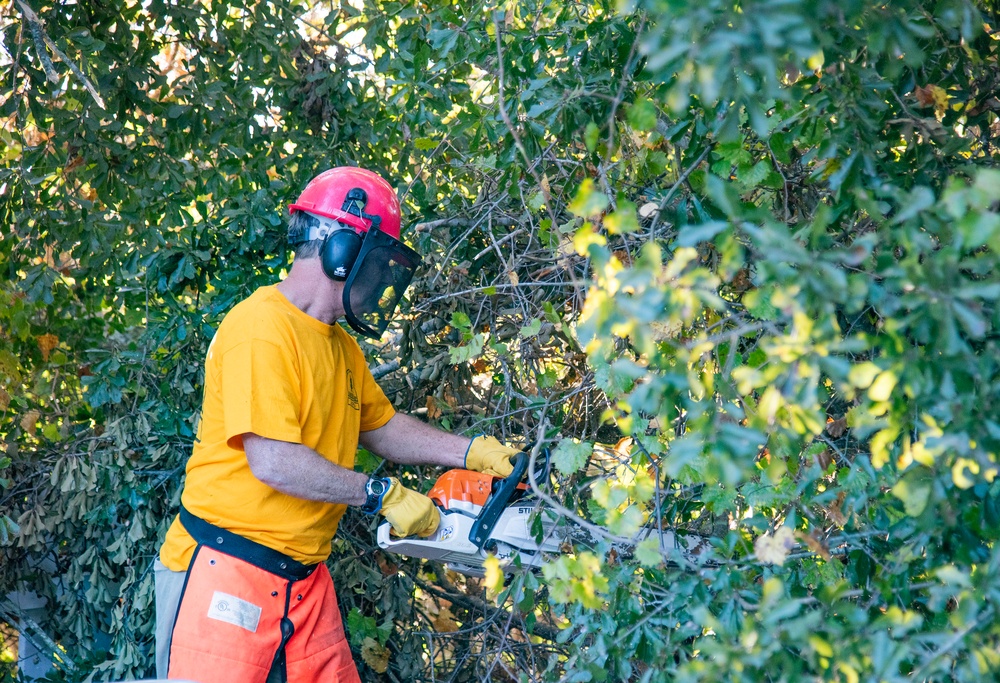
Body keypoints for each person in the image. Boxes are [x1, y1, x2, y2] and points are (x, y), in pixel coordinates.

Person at [153, 166, 520, 683]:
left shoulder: (339, 345)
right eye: (379, 263)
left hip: (304, 582)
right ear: (342, 251)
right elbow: (274, 461)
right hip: (227, 571)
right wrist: (380, 495)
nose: (383, 282)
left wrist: (469, 452)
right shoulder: (261, 330)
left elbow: (382, 426)